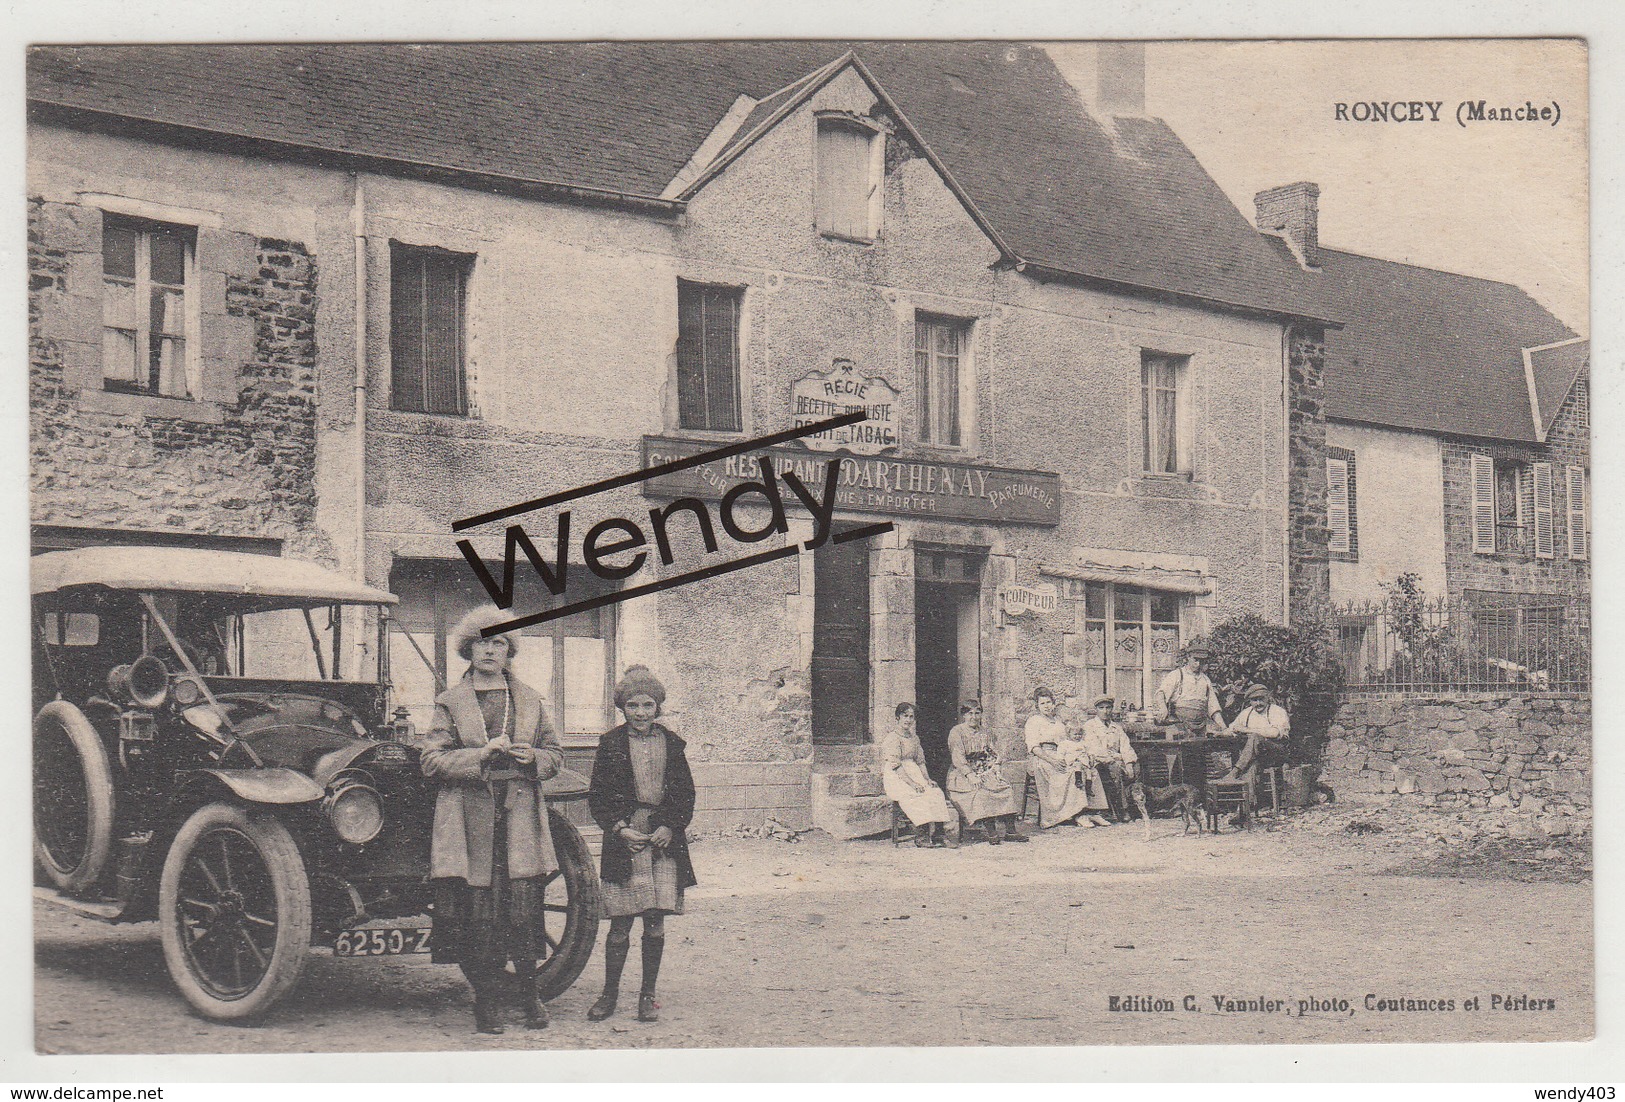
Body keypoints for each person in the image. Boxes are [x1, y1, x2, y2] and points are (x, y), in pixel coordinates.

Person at [419, 606, 565, 1035]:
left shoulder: (532, 699)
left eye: (498, 642)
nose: (489, 649)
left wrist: (534, 757)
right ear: (469, 648)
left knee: (522, 909)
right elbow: (431, 760)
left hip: (518, 816)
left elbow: (557, 756)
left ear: (509, 650)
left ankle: (530, 993)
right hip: (469, 821)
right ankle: (485, 1000)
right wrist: (478, 756)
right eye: (482, 642)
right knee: (478, 914)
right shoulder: (450, 701)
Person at [586, 665, 697, 1024]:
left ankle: (648, 996)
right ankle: (609, 994)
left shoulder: (673, 744)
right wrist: (619, 829)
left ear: (658, 707)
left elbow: (685, 794)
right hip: (626, 841)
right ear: (622, 708)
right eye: (633, 705)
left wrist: (670, 825)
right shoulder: (610, 744)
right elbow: (598, 796)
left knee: (654, 923)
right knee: (620, 925)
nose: (641, 713)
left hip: (663, 841)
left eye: (648, 705)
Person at [945, 700, 1027, 844]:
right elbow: (957, 758)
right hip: (963, 774)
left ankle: (1010, 830)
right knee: (982, 792)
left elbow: (994, 751)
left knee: (1004, 787)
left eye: (977, 713)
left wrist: (996, 765)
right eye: (970, 714)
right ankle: (991, 831)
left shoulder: (985, 732)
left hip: (984, 769)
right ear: (964, 715)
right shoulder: (957, 732)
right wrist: (970, 775)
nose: (974, 717)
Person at [880, 702, 957, 848]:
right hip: (897, 776)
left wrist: (927, 779)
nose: (908, 720)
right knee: (915, 795)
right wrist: (912, 783)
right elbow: (895, 765)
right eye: (905, 716)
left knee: (935, 792)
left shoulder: (914, 738)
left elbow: (920, 762)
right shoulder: (892, 738)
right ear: (897, 717)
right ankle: (921, 835)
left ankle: (938, 834)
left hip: (915, 773)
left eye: (911, 717)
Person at [1023, 687, 1100, 828]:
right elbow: (1034, 747)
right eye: (1042, 703)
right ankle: (1076, 814)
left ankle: (1092, 811)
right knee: (1071, 773)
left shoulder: (1058, 721)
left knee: (1087, 768)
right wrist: (1052, 760)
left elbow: (1069, 741)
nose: (1046, 706)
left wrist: (1083, 755)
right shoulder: (1034, 721)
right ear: (1037, 705)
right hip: (1043, 757)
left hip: (1062, 753)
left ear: (1053, 703)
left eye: (1049, 702)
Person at [1080, 695, 1139, 822]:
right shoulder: (1090, 726)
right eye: (1101, 708)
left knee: (1136, 768)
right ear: (1096, 709)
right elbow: (1093, 748)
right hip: (1098, 761)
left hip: (1116, 759)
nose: (1105, 711)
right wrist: (1114, 758)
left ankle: (1137, 806)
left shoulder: (1116, 727)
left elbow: (1125, 746)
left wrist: (1128, 763)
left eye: (1108, 708)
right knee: (1115, 770)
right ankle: (1122, 809)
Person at [1224, 683, 1291, 783]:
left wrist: (1246, 729)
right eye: (1254, 700)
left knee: (1255, 737)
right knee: (1251, 769)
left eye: (1261, 699)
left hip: (1276, 754)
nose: (1258, 703)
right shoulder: (1247, 713)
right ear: (1250, 701)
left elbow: (1274, 733)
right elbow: (1233, 728)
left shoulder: (1277, 711)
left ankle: (1235, 771)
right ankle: (1250, 798)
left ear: (1267, 698)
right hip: (1257, 756)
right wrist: (1219, 733)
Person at [1157, 642, 1225, 735]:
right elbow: (1161, 693)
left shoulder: (1205, 680)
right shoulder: (1177, 675)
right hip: (1179, 723)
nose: (1198, 664)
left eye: (1201, 661)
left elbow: (1213, 707)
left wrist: (1224, 727)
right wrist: (1163, 708)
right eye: (1195, 660)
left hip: (1202, 724)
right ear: (1188, 657)